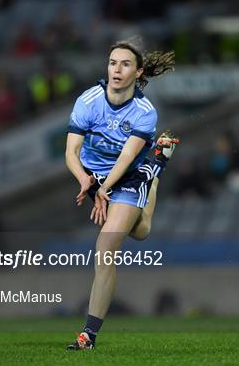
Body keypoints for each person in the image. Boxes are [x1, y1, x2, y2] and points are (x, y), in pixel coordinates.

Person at [65, 40, 179, 350]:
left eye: (125, 64)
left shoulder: (144, 111)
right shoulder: (88, 101)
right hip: (95, 177)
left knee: (105, 247)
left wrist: (104, 189)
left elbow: (127, 158)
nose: (117, 69)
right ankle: (156, 172)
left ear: (138, 71)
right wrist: (84, 180)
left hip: (129, 175)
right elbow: (71, 151)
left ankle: (87, 335)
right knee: (140, 232)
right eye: (113, 62)